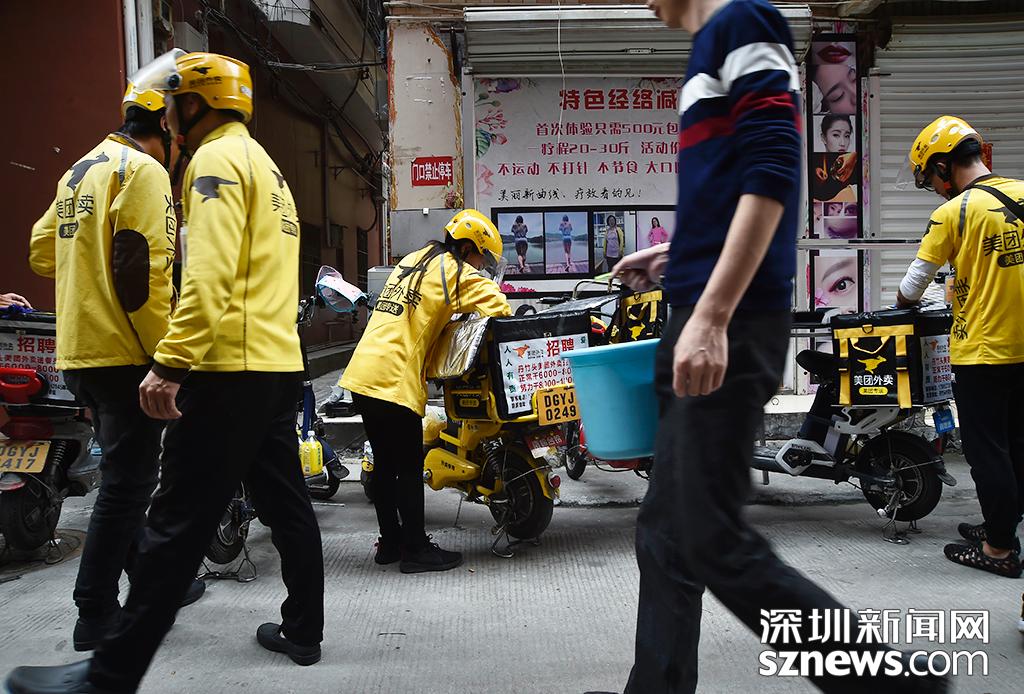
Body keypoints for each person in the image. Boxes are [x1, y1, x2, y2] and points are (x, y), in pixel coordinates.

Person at [597, 1, 948, 692]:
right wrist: (675, 257)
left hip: (726, 320)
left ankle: (889, 686)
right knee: (666, 534)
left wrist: (712, 315)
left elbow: (773, 171)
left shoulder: (744, 21)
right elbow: (734, 191)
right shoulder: (713, 45)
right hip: (700, 308)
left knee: (709, 537)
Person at [7, 50, 324, 694]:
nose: (171, 119)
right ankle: (302, 628)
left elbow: (207, 278)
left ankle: (106, 677)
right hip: (276, 364)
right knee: (286, 504)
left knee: (172, 524)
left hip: (228, 370)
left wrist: (171, 362)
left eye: (176, 104)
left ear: (195, 104)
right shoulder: (266, 166)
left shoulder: (211, 163)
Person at [26, 83, 205, 655]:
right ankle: (96, 610)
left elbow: (41, 251)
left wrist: (86, 262)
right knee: (127, 488)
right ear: (166, 131)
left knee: (127, 479)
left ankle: (154, 582)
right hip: (125, 353)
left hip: (79, 352)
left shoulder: (79, 170)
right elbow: (140, 274)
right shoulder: (143, 172)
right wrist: (167, 358)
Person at [342, 209, 512, 573]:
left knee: (385, 465)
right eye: (482, 258)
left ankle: (390, 544)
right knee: (407, 466)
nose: (482, 267)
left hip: (362, 371)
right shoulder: (455, 271)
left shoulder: (414, 259)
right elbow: (500, 307)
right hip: (393, 378)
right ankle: (416, 549)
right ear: (467, 248)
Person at [896, 115, 1024, 579]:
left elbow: (912, 286)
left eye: (930, 178)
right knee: (1018, 445)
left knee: (988, 453)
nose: (933, 188)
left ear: (943, 166)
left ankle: (998, 550)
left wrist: (903, 302)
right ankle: (1001, 526)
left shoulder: (954, 212)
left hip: (984, 350)